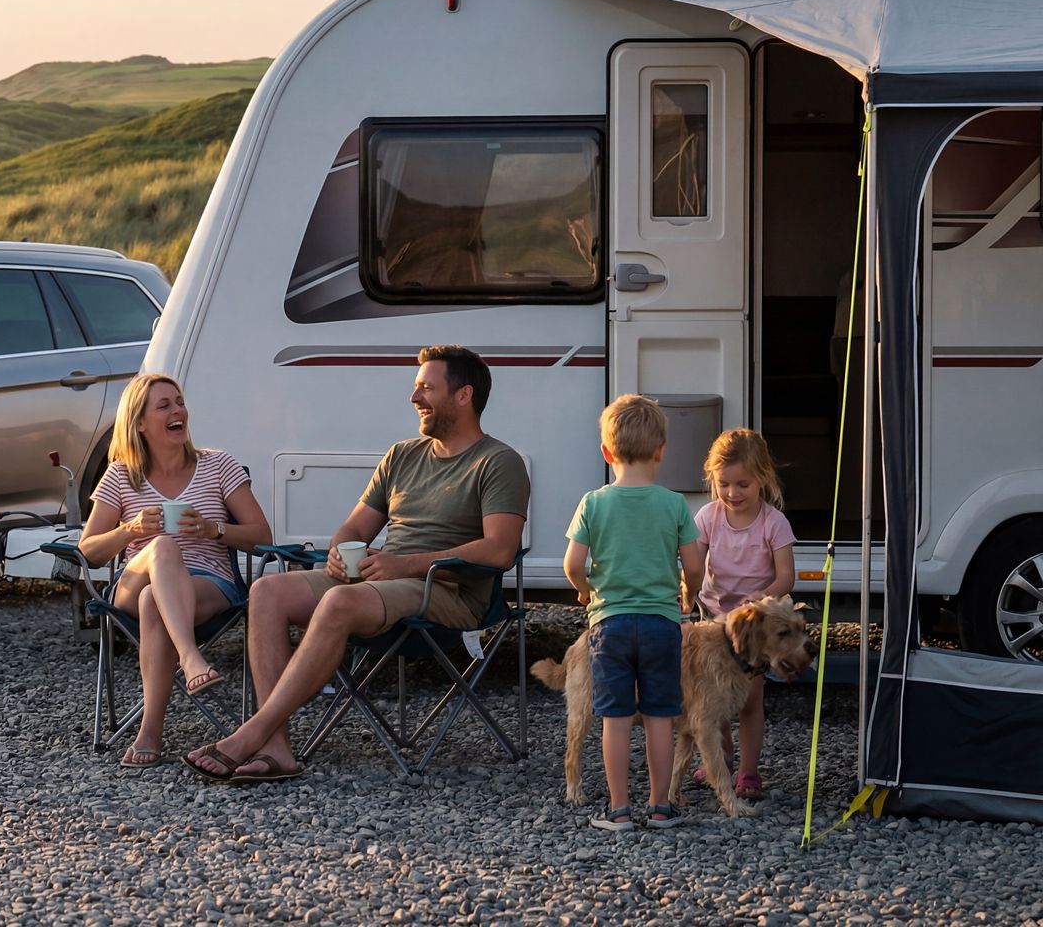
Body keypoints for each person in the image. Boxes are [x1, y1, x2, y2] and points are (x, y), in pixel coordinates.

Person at [184, 345, 528, 783]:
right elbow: (354, 529)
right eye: (415, 387)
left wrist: (405, 564)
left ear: (464, 396)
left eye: (426, 387)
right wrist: (340, 551)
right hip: (384, 583)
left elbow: (499, 550)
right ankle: (277, 749)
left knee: (340, 602)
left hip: (447, 591)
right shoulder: (403, 455)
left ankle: (250, 734)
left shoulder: (498, 462)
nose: (414, 397)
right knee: (267, 590)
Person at [77, 372, 271, 769]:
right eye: (164, 405)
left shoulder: (218, 466)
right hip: (134, 580)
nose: (178, 410)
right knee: (161, 548)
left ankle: (150, 731)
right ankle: (190, 657)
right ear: (140, 422)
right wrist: (129, 530)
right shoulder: (120, 475)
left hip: (208, 583)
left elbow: (261, 535)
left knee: (155, 601)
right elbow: (89, 550)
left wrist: (212, 529)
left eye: (179, 402)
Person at [563, 394, 704, 832]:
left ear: (606, 452)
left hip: (611, 625)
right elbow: (695, 564)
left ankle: (619, 810)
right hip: (663, 625)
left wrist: (586, 591)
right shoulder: (674, 503)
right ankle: (660, 807)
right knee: (661, 717)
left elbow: (572, 565)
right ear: (662, 451)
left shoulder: (593, 503)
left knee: (616, 718)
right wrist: (689, 593)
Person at [692, 427, 796, 802]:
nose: (733, 493)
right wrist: (684, 588)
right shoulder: (708, 517)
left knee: (750, 699)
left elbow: (786, 576)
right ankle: (721, 758)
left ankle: (748, 772)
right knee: (715, 696)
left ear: (762, 479)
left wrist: (759, 602)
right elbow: (693, 560)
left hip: (752, 627)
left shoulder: (773, 523)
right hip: (714, 619)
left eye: (743, 484)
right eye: (724, 484)